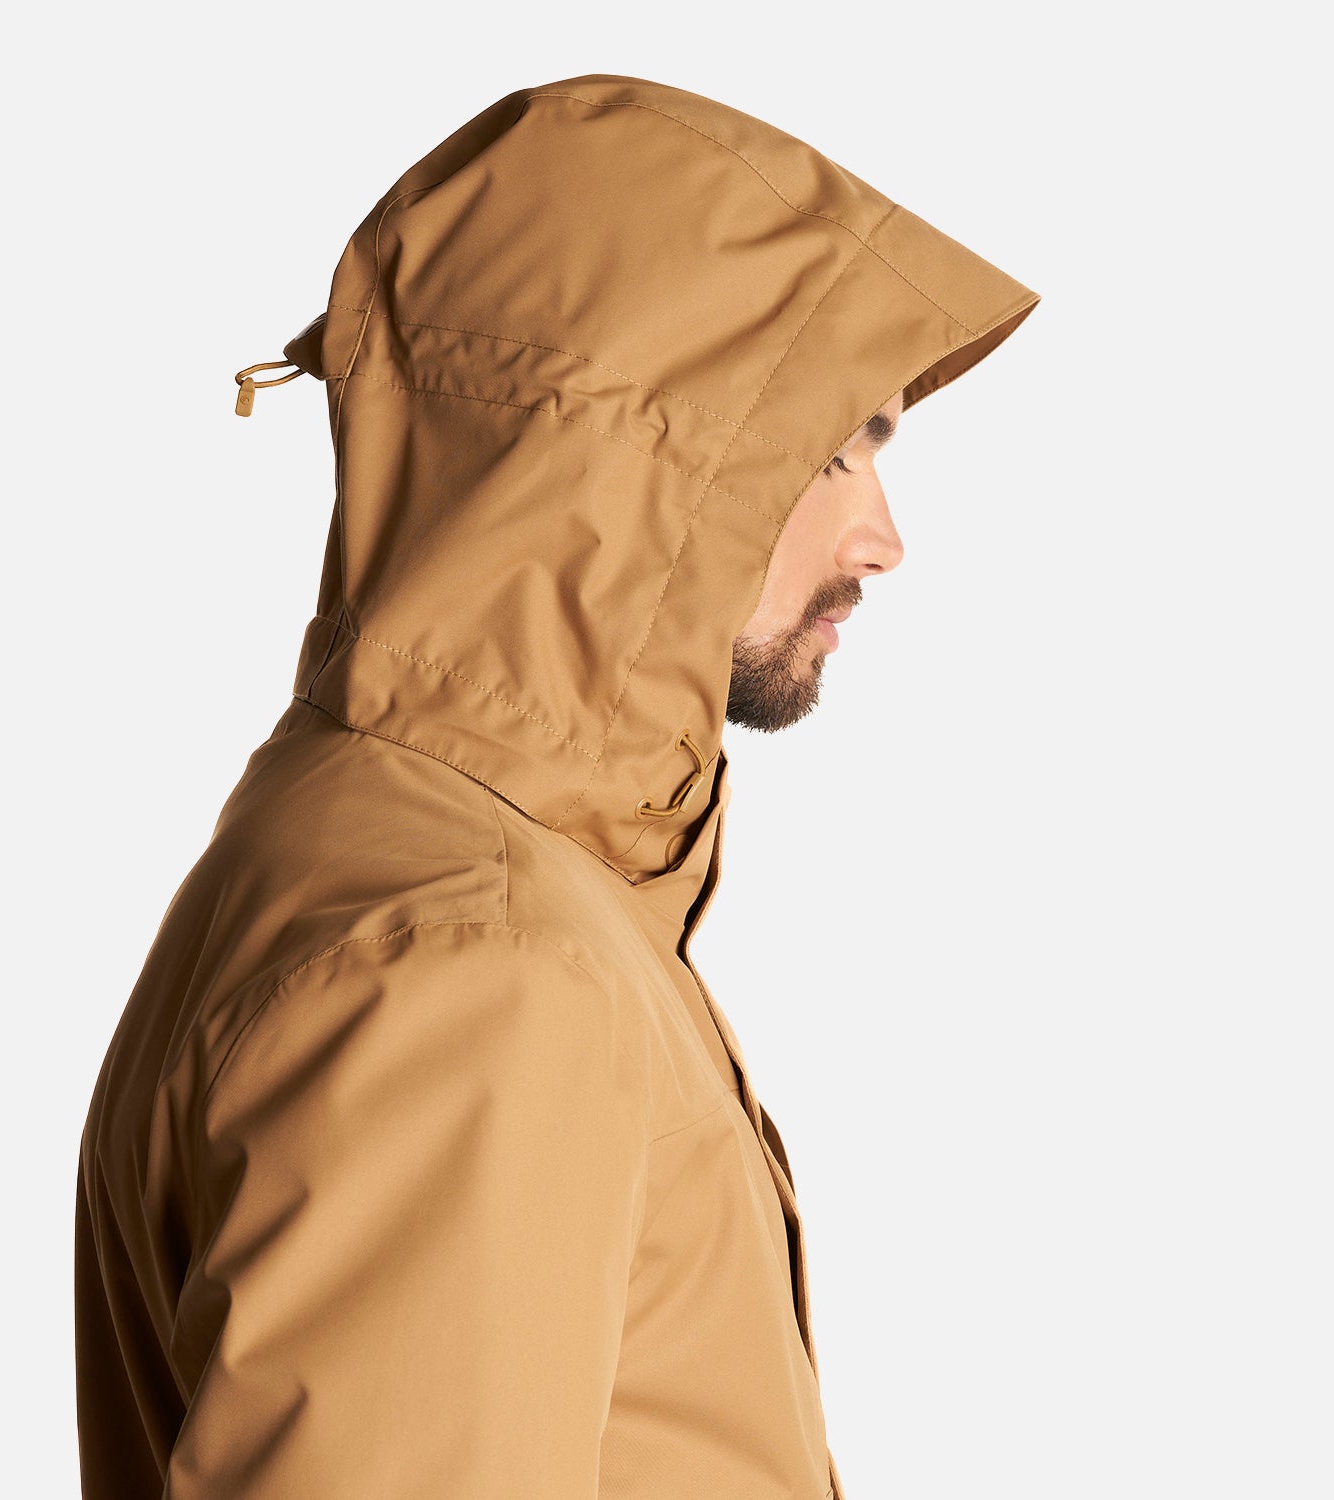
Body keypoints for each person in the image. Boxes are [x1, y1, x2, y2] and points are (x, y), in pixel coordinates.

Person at [75, 73, 1038, 1500]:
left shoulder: (406, 859)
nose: (880, 538)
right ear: (605, 463)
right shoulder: (473, 964)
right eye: (825, 450)